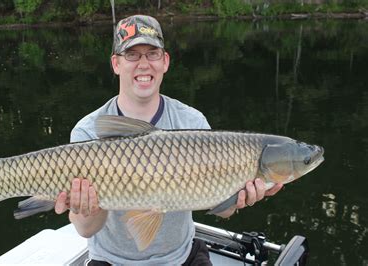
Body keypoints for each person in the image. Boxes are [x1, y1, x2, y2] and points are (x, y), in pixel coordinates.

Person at [54, 15, 283, 265]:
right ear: (116, 64)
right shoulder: (88, 131)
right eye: (132, 54)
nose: (144, 64)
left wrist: (240, 198)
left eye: (152, 54)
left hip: (181, 257)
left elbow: (222, 208)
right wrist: (87, 207)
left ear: (165, 61)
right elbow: (86, 230)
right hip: (113, 260)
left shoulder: (192, 123)